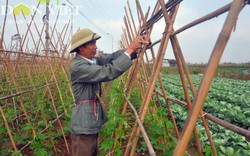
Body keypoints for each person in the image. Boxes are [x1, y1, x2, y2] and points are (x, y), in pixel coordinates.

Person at [69, 28, 147, 156]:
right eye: (92, 44)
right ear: (81, 47)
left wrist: (133, 49)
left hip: (90, 121)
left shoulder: (92, 61)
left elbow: (111, 57)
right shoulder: (78, 66)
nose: (95, 47)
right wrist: (130, 50)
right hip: (83, 124)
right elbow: (107, 72)